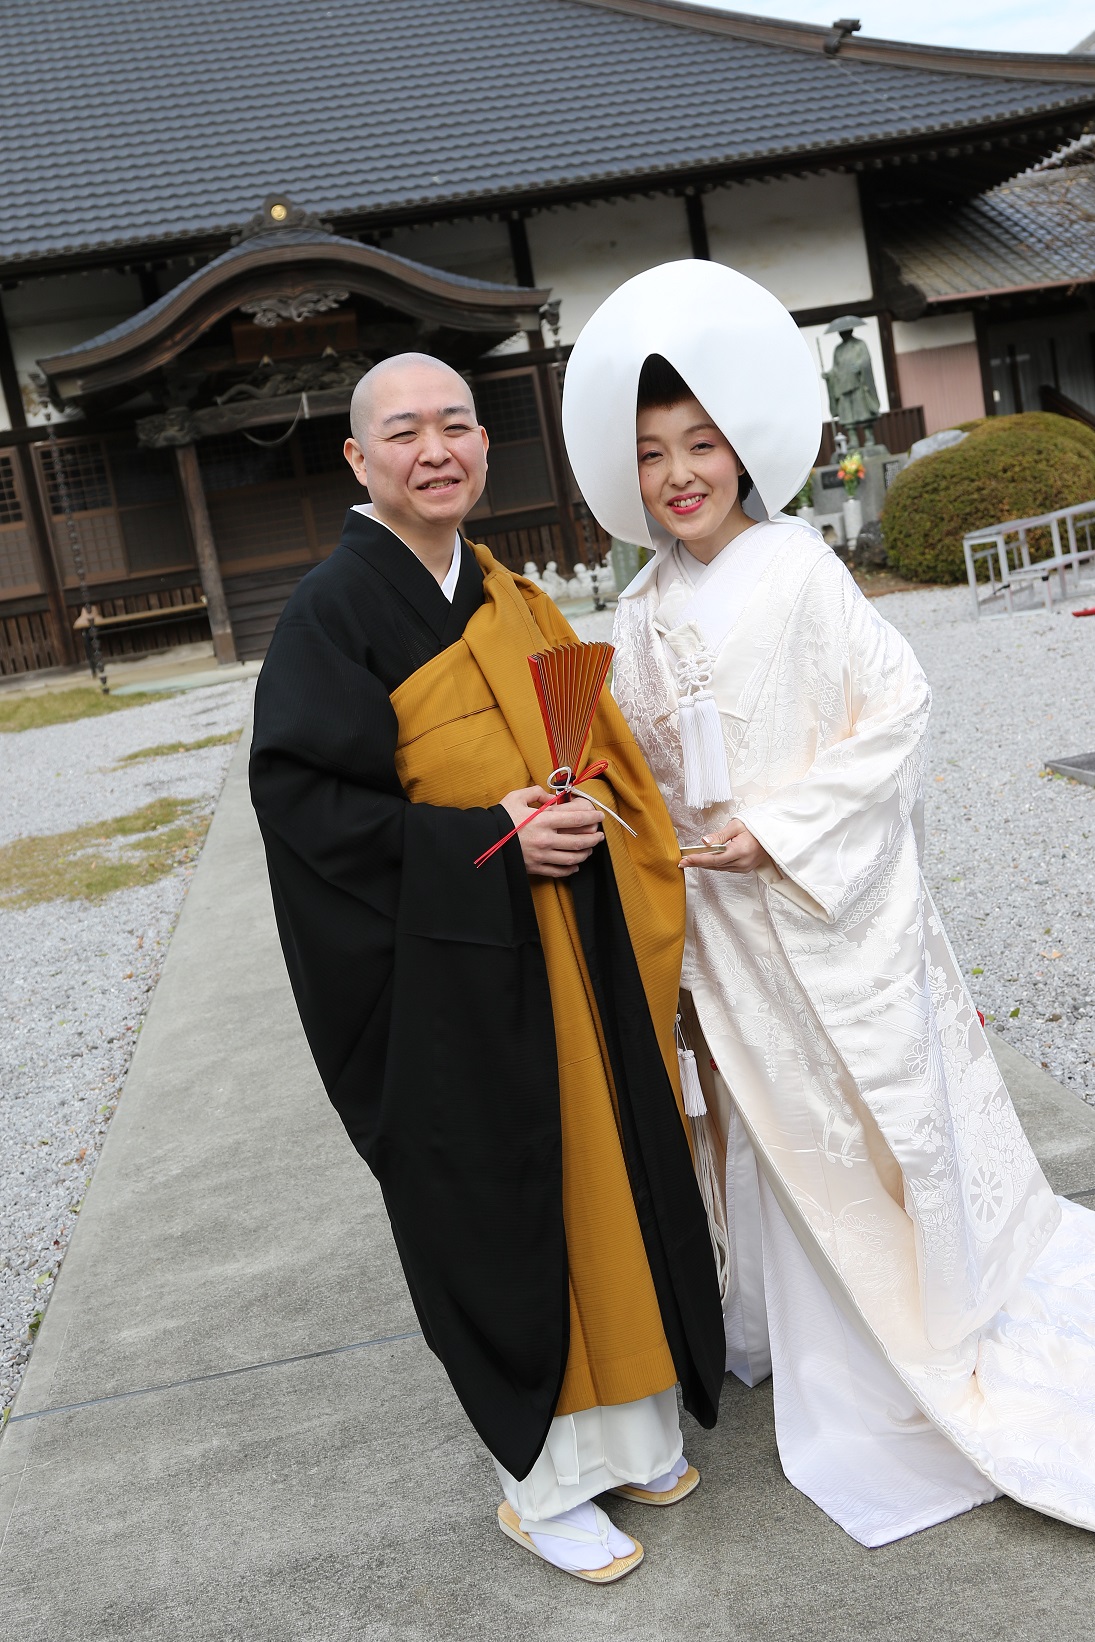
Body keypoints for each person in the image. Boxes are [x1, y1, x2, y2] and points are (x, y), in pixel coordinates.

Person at [561, 260, 1095, 1547]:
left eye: (701, 443)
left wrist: (785, 828)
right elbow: (638, 766)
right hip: (726, 935)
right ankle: (808, 1338)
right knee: (769, 1132)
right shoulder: (632, 610)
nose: (681, 472)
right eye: (650, 453)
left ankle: (914, 1331)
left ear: (746, 449)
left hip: (824, 904)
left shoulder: (799, 568)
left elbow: (898, 712)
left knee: (866, 1117)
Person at [249, 352, 724, 1581]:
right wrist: (490, 838)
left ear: (484, 444)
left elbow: (600, 749)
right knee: (512, 1202)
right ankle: (545, 1480)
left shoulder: (509, 591)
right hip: (452, 972)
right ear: (360, 461)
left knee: (609, 1169)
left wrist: (577, 812)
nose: (437, 448)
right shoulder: (333, 613)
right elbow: (307, 813)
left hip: (569, 943)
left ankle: (635, 1424)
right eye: (403, 431)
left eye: (457, 423)